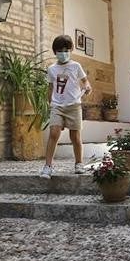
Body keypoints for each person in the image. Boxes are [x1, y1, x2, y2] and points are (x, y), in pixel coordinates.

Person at [39, 35, 92, 178]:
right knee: (54, 133)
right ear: (55, 52)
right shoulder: (51, 69)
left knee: (75, 136)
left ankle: (79, 163)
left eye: (66, 50)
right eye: (60, 50)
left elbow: (85, 81)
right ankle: (48, 166)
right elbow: (50, 87)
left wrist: (87, 87)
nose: (63, 53)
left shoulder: (76, 66)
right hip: (57, 106)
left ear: (71, 50)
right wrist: (50, 103)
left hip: (74, 105)